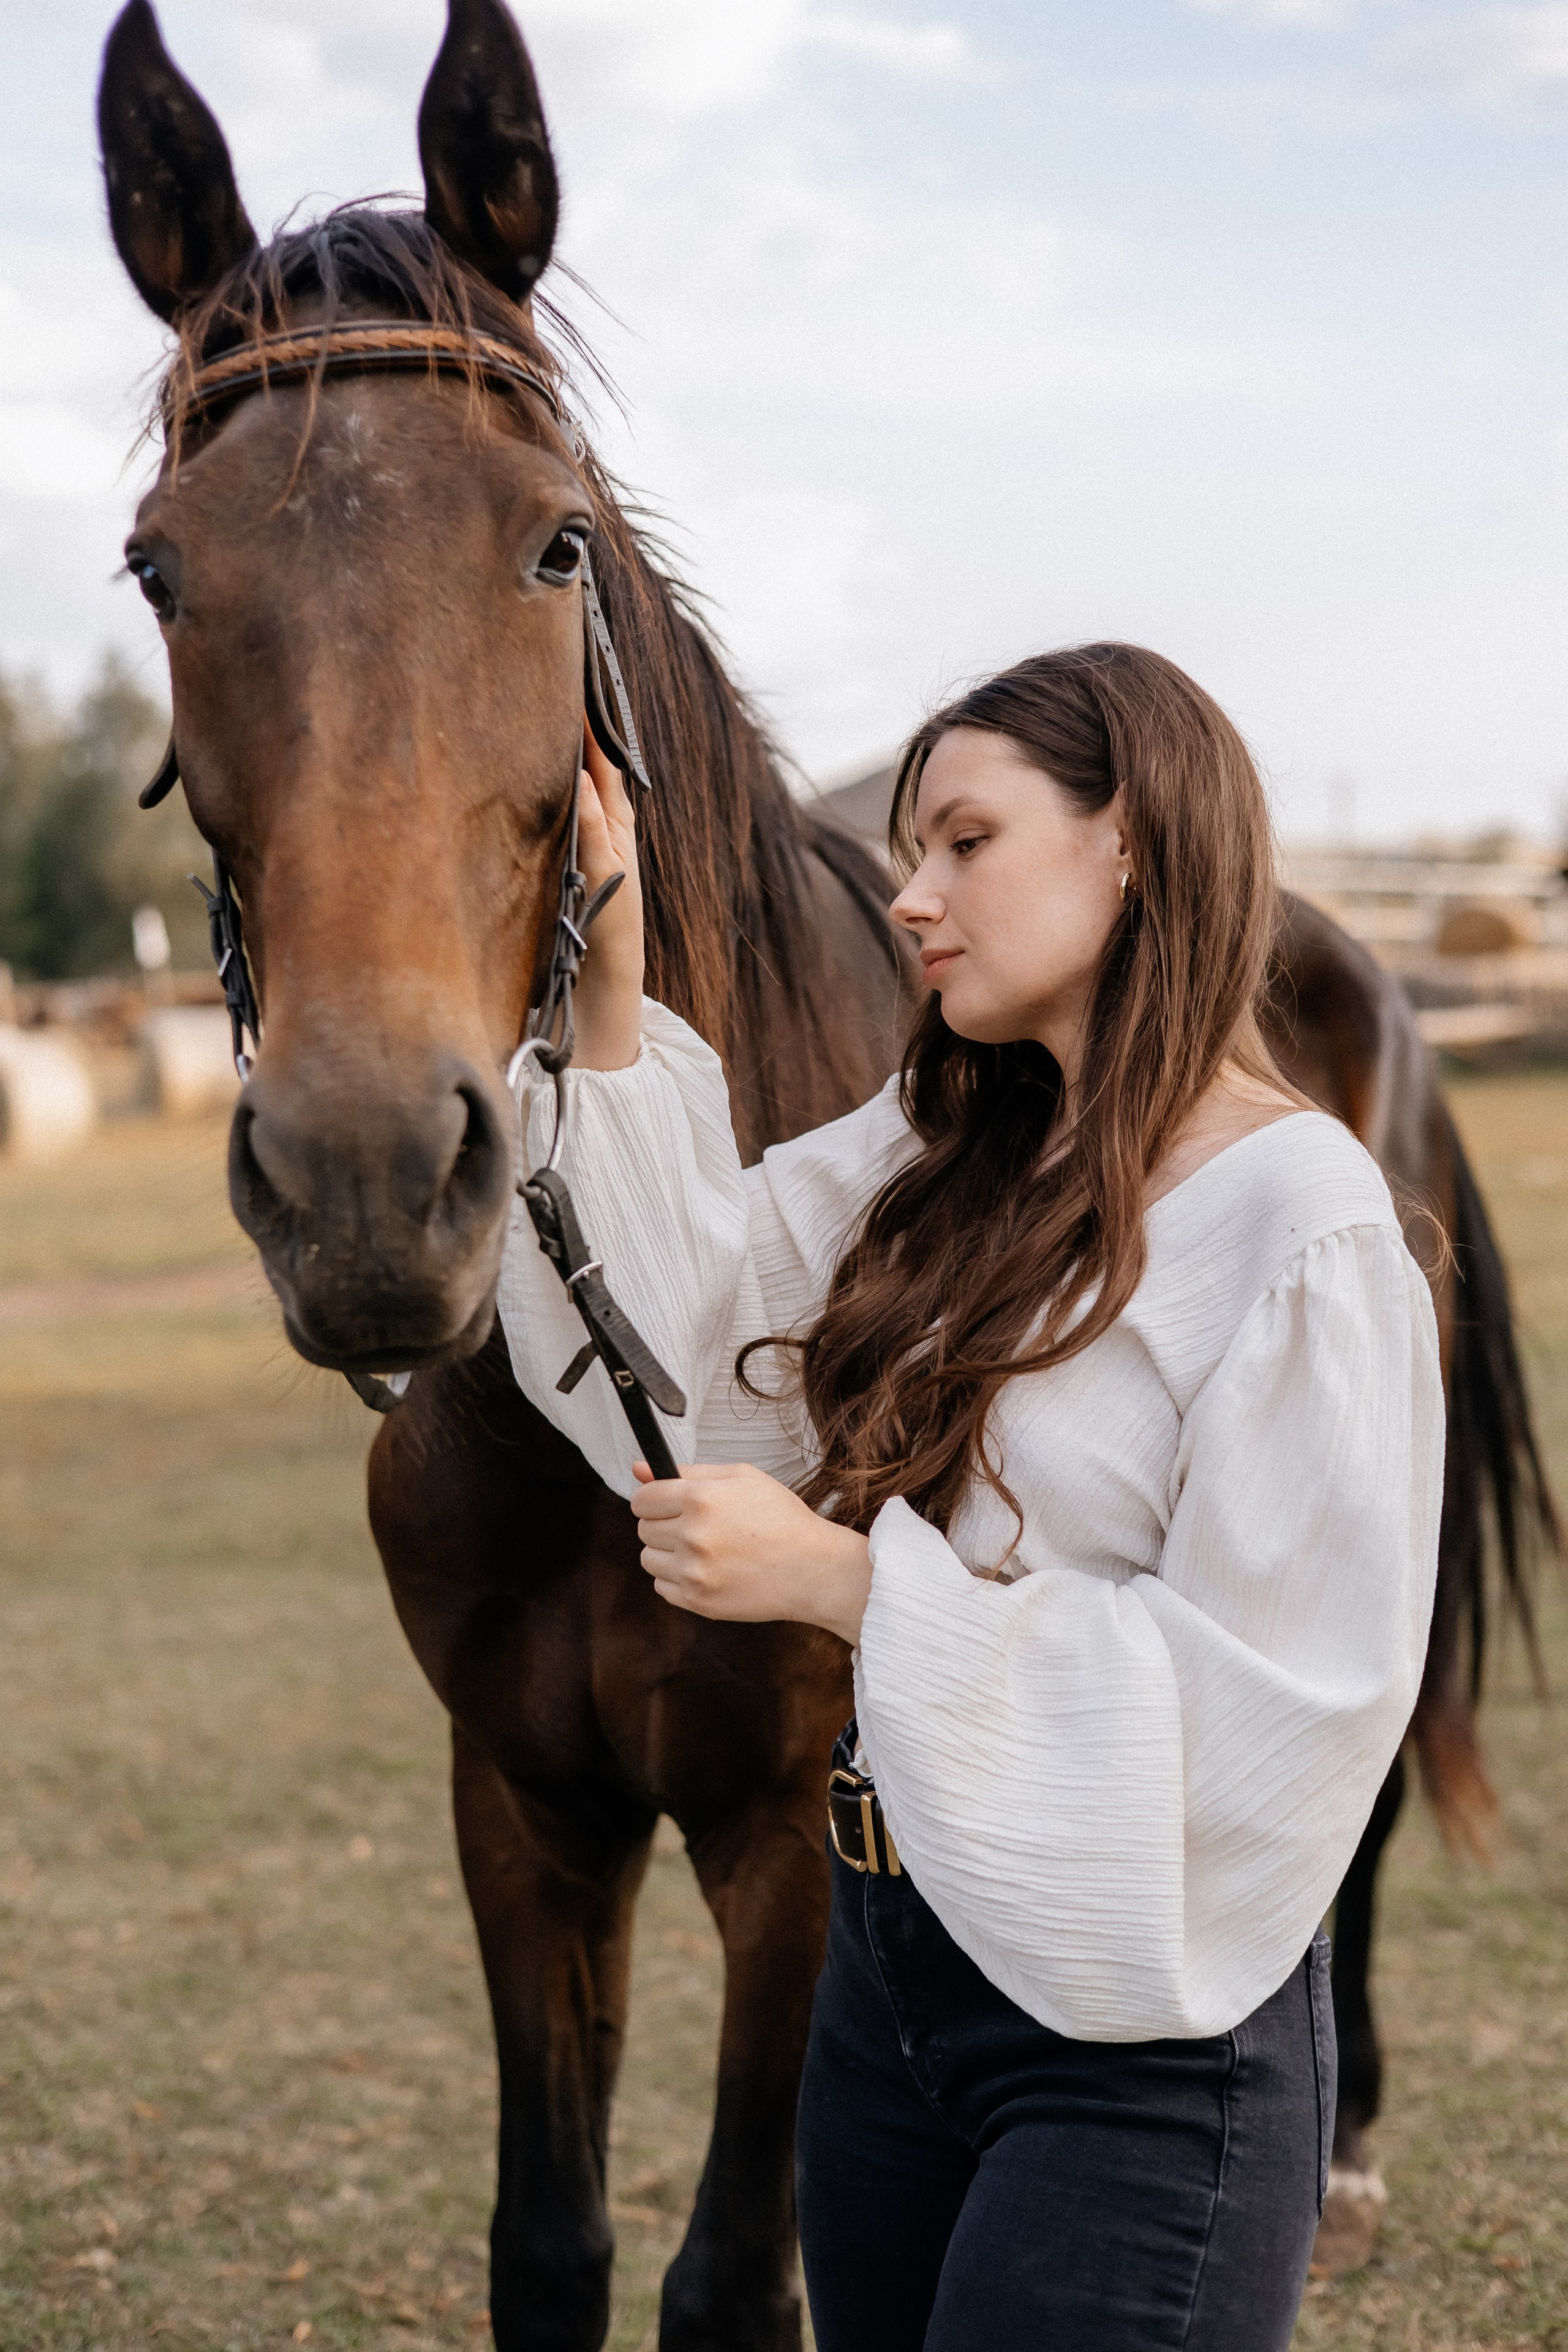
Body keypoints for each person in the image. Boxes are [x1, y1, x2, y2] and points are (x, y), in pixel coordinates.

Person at [495, 643, 1442, 2351]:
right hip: (883, 1989)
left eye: (965, 843)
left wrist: (853, 1589)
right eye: (910, 853)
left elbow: (1276, 1712)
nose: (912, 899)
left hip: (1143, 2048)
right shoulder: (937, 1154)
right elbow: (699, 1348)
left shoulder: (1295, 1224)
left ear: (1133, 842)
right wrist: (612, 992)